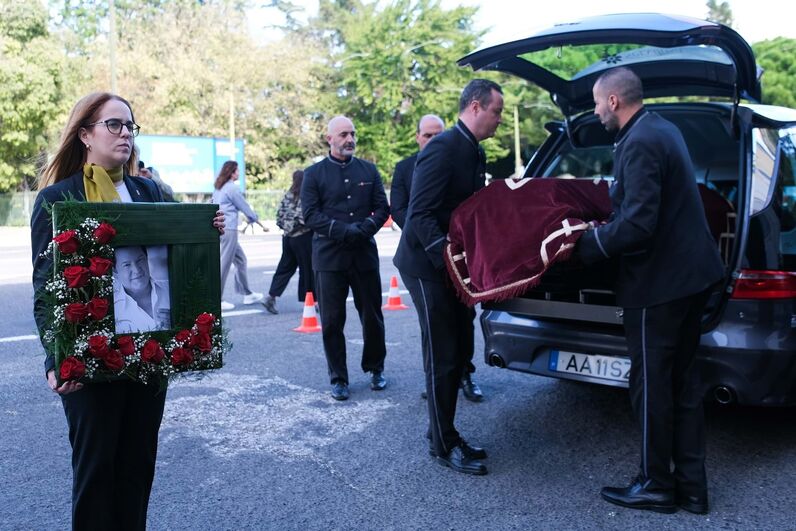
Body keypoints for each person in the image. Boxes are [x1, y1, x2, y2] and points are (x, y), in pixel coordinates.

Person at [29, 92, 224, 529]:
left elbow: (180, 248)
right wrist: (55, 359)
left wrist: (206, 228)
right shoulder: (57, 199)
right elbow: (46, 288)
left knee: (137, 469)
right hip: (90, 358)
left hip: (148, 354)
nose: (125, 135)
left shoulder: (148, 189)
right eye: (113, 125)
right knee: (97, 472)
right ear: (85, 134)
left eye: (130, 126)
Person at [576, 67, 724, 514]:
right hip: (691, 279)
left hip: (658, 287)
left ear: (615, 101)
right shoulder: (662, 128)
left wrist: (587, 245)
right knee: (681, 386)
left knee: (652, 388)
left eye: (598, 103)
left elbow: (639, 225)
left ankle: (655, 485)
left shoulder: (638, 142)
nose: (597, 111)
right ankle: (692, 489)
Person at [393, 79, 503, 475]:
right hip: (426, 264)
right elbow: (419, 214)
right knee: (442, 352)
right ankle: (442, 445)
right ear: (475, 107)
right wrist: (449, 265)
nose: (500, 120)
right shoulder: (443, 148)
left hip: (451, 263)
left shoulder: (474, 151)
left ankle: (442, 431)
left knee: (458, 348)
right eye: (497, 112)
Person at [391, 114, 484, 403]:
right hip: (426, 251)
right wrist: (426, 236)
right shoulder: (405, 168)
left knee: (464, 318)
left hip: (456, 251)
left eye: (437, 134)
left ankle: (464, 373)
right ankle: (437, 379)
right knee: (432, 325)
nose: (432, 140)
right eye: (427, 135)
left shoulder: (464, 154)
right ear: (418, 137)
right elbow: (402, 209)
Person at [301, 116, 389, 400]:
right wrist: (342, 231)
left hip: (364, 255)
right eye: (343, 134)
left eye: (352, 133)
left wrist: (363, 229)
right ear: (329, 139)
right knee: (332, 321)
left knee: (372, 317)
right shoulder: (313, 174)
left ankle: (375, 367)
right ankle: (338, 377)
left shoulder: (369, 169)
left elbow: (381, 208)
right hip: (329, 259)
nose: (349, 139)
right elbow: (311, 215)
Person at [212, 160, 264, 311]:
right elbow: (244, 206)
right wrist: (254, 217)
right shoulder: (232, 188)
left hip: (222, 227)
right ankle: (218, 299)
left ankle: (247, 293)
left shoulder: (219, 187)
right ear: (231, 172)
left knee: (241, 260)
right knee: (224, 263)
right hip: (229, 229)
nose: (239, 173)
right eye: (237, 171)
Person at [264, 170, 314, 314]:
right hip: (303, 237)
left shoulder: (288, 194)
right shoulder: (305, 195)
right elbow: (304, 217)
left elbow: (279, 215)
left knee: (284, 268)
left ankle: (271, 296)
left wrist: (286, 228)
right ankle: (310, 301)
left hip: (287, 237)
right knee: (307, 270)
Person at [113, 245, 171, 333]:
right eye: (127, 265)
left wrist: (180, 322)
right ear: (115, 270)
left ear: (147, 258)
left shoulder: (172, 289)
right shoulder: (114, 308)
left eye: (140, 260)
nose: (136, 270)